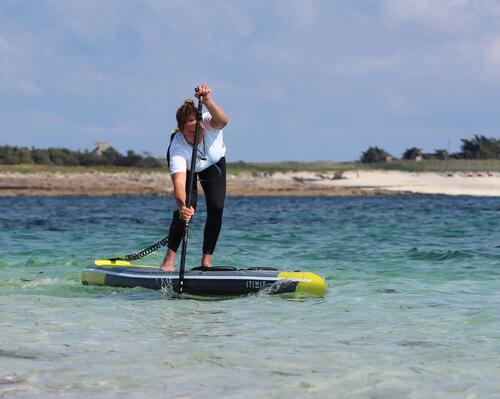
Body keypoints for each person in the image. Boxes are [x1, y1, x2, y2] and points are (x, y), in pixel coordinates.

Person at [160, 84, 229, 271]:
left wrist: (206, 100)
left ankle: (206, 261)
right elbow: (179, 184)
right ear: (181, 130)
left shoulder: (209, 122)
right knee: (188, 208)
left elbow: (224, 120)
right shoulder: (177, 148)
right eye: (191, 132)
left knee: (216, 207)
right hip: (189, 167)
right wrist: (182, 206)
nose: (197, 134)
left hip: (213, 164)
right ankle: (169, 260)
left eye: (198, 128)